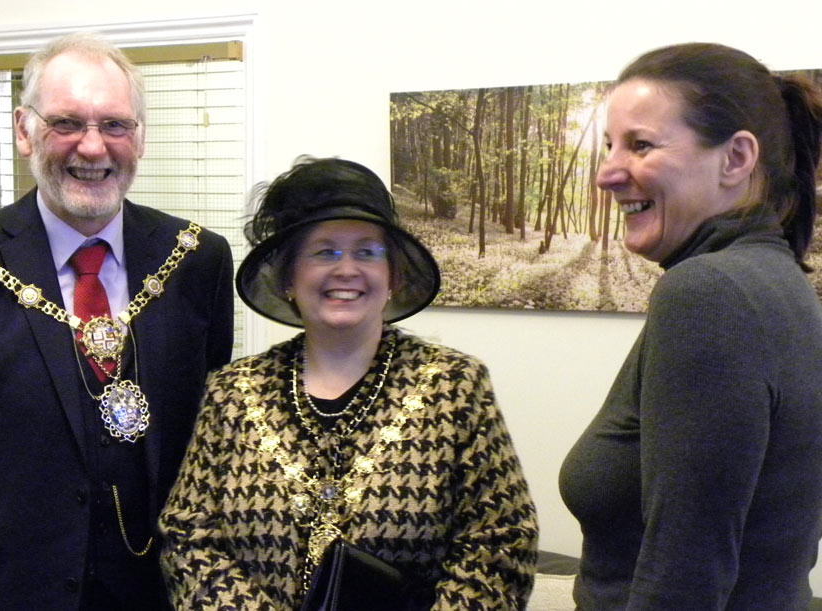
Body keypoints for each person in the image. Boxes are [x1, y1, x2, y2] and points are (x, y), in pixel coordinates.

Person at [0, 32, 234, 610]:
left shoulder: (196, 261)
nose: (93, 148)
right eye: (66, 122)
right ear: (24, 129)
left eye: (115, 125)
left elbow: (203, 430)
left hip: (155, 589)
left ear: (139, 136)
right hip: (3, 589)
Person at [158, 156, 538, 609]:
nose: (346, 269)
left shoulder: (456, 388)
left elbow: (500, 542)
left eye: (367, 251)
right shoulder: (232, 394)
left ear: (393, 275)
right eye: (324, 251)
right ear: (288, 279)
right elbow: (188, 537)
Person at [559, 42, 822, 609]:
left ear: (735, 158)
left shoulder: (709, 293)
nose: (607, 173)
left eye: (641, 145)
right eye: (610, 146)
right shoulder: (780, 283)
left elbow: (685, 574)